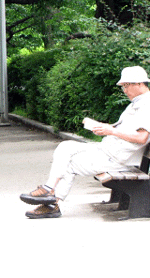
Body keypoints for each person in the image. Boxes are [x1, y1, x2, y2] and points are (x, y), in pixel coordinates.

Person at [20, 66, 150, 219]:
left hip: (118, 159)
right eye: (123, 87)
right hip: (109, 151)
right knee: (66, 147)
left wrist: (111, 131)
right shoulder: (137, 103)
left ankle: (51, 201)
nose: (124, 90)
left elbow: (142, 138)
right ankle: (50, 193)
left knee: (68, 163)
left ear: (139, 84)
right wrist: (104, 127)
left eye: (126, 86)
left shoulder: (146, 105)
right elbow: (125, 128)